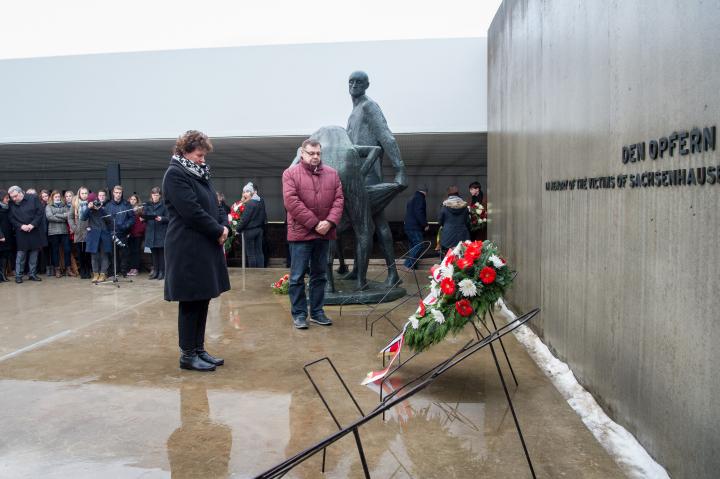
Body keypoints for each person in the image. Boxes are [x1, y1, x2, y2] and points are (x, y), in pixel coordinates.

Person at [163, 130, 230, 372]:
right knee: (190, 301)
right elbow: (191, 211)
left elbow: (216, 203)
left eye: (203, 155)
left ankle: (199, 349)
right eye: (199, 155)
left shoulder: (199, 174)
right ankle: (187, 354)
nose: (203, 159)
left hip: (204, 245)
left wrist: (224, 225)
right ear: (184, 151)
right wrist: (217, 230)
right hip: (187, 247)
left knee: (202, 298)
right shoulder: (175, 174)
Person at [346, 70, 407, 286]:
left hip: (370, 173)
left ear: (367, 85)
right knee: (359, 224)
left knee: (378, 221)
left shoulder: (369, 106)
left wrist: (400, 168)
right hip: (357, 175)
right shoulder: (353, 112)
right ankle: (357, 270)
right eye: (351, 82)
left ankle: (393, 274)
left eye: (359, 82)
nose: (354, 85)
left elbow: (386, 136)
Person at [282, 139, 344, 329]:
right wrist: (316, 223)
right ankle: (300, 314)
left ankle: (317, 312)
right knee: (297, 277)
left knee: (320, 275)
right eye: (311, 153)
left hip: (324, 234)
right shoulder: (290, 173)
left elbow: (339, 200)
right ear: (302, 153)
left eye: (318, 153)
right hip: (301, 235)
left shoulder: (332, 174)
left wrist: (330, 222)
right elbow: (291, 202)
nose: (315, 156)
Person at [7, 186, 46, 283]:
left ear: (21, 193)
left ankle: (32, 274)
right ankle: (18, 275)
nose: (14, 199)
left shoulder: (33, 198)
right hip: (21, 231)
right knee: (21, 254)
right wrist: (21, 226)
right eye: (12, 197)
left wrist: (32, 224)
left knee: (34, 253)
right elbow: (11, 218)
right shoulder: (11, 203)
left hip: (34, 229)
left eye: (15, 196)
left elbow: (40, 212)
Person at [81, 190, 111, 283]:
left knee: (104, 255)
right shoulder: (89, 210)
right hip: (93, 236)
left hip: (103, 235)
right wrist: (88, 208)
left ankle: (103, 274)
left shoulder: (103, 208)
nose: (94, 203)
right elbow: (83, 218)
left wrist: (101, 208)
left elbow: (109, 219)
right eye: (92, 202)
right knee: (94, 256)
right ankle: (95, 274)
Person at [104, 185, 134, 277]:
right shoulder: (108, 205)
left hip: (123, 232)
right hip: (112, 233)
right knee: (113, 254)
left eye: (119, 193)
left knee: (125, 253)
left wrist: (125, 226)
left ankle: (124, 271)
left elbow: (132, 218)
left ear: (122, 193)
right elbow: (105, 220)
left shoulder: (126, 204)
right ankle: (114, 271)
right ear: (113, 193)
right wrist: (109, 230)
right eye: (116, 193)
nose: (118, 195)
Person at [235, 182, 266, 268]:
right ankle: (261, 272)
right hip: (259, 230)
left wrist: (237, 229)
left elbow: (245, 220)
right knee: (259, 252)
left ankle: (253, 273)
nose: (244, 194)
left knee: (251, 254)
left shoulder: (250, 204)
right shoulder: (260, 201)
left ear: (251, 192)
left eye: (246, 192)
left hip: (250, 231)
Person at [438, 186, 470, 257]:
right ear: (458, 194)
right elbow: (467, 221)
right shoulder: (464, 207)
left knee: (447, 257)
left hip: (447, 235)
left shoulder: (444, 206)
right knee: (461, 256)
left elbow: (440, 221)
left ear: (448, 195)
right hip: (462, 235)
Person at [45, 190, 71, 278]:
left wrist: (56, 215)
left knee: (67, 250)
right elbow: (49, 217)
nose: (57, 198)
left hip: (64, 231)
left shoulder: (64, 206)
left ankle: (68, 268)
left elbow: (68, 216)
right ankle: (57, 270)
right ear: (52, 197)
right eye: (55, 197)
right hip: (53, 232)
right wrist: (62, 217)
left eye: (59, 197)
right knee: (55, 251)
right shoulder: (48, 206)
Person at [144, 186, 168, 280]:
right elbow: (146, 217)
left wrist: (161, 218)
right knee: (153, 254)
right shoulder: (148, 205)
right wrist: (143, 219)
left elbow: (169, 218)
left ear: (160, 196)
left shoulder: (164, 205)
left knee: (161, 254)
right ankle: (156, 271)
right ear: (151, 195)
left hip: (161, 233)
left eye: (157, 195)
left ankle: (162, 272)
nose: (155, 197)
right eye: (154, 195)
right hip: (151, 233)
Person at [403, 184, 429, 269]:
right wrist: (425, 224)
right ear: (425, 192)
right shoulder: (420, 198)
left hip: (408, 226)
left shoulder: (412, 198)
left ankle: (413, 266)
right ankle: (408, 264)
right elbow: (419, 213)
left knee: (413, 247)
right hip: (415, 227)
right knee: (420, 244)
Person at [69, 186, 92, 279]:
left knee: (88, 253)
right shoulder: (74, 204)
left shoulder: (90, 204)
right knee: (80, 253)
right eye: (82, 193)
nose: (84, 195)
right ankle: (82, 271)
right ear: (79, 194)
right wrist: (74, 228)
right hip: (78, 232)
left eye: (86, 193)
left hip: (88, 231)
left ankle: (88, 271)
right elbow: (70, 217)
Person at [126, 194, 146, 276]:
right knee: (130, 251)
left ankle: (136, 268)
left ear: (137, 201)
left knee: (136, 251)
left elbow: (144, 222)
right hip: (130, 234)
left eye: (134, 199)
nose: (133, 201)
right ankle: (131, 268)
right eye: (131, 199)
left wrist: (141, 230)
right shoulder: (127, 209)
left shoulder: (140, 209)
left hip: (138, 234)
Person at [63, 190, 79, 277]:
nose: (68, 198)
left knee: (78, 250)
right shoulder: (63, 207)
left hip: (76, 231)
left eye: (70, 196)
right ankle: (69, 269)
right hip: (67, 232)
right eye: (66, 196)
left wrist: (74, 227)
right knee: (68, 250)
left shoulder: (76, 206)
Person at [0, 190, 12, 282]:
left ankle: (3, 275)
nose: (8, 200)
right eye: (6, 198)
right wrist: (1, 236)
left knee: (5, 255)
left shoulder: (8, 208)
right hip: (1, 236)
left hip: (8, 235)